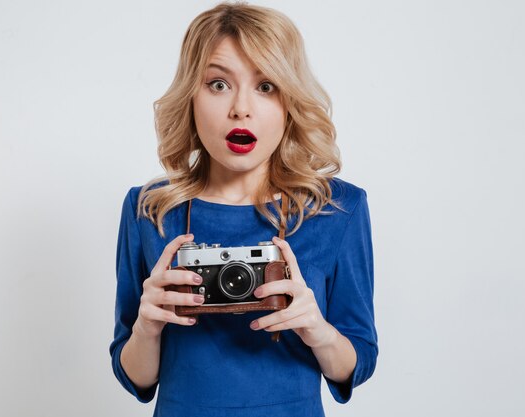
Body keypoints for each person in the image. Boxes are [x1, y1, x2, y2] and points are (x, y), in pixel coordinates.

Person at [110, 2, 377, 416]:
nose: (241, 108)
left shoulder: (338, 209)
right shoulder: (149, 209)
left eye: (266, 86)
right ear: (191, 96)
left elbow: (358, 362)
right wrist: (147, 327)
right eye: (218, 84)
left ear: (289, 102)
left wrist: (316, 329)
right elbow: (136, 378)